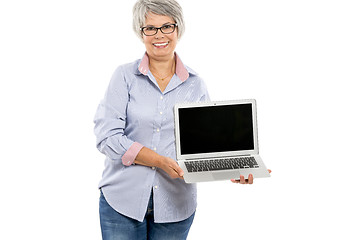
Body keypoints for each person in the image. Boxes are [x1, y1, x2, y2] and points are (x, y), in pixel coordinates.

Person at [93, 0, 271, 239]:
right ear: (140, 31)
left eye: (167, 26)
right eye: (151, 28)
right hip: (122, 200)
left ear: (178, 29)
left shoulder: (195, 85)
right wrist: (159, 161)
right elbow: (108, 138)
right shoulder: (124, 77)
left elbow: (207, 145)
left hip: (175, 205)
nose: (160, 35)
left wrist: (234, 168)